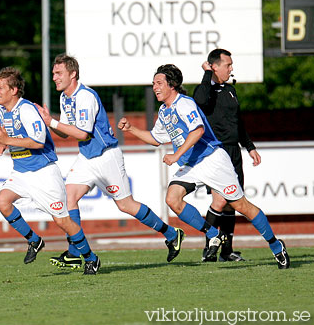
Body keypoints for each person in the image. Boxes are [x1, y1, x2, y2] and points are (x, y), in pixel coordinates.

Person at [117, 64, 289, 269]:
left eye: (159, 83)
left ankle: (276, 246)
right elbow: (155, 138)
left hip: (212, 161)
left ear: (172, 85)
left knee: (241, 206)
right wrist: (131, 129)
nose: (155, 87)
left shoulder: (185, 104)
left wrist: (176, 155)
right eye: (154, 83)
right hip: (193, 164)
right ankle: (214, 234)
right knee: (172, 199)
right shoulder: (164, 111)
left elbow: (197, 131)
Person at [35, 54, 185, 267]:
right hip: (87, 157)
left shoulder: (85, 96)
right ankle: (76, 251)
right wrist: (50, 124)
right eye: (53, 74)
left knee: (126, 205)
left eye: (59, 73)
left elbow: (83, 133)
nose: (54, 78)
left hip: (106, 157)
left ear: (73, 74)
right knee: (68, 198)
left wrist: (53, 122)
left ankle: (171, 234)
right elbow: (68, 133)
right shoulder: (65, 98)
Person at [0, 66, 100, 275]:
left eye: (0, 87)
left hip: (43, 173)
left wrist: (7, 140)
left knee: (62, 221)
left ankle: (91, 258)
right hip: (21, 172)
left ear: (13, 90)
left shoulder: (26, 109)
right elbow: (9, 134)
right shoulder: (1, 111)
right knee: (2, 201)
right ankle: (34, 240)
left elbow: (39, 141)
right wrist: (3, 145)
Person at [193, 48, 261, 262]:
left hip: (234, 151)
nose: (231, 68)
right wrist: (206, 73)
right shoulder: (205, 89)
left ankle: (226, 250)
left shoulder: (231, 90)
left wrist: (249, 146)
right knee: (220, 200)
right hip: (215, 153)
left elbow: (238, 122)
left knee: (232, 201)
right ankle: (209, 248)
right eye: (227, 65)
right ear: (214, 66)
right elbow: (200, 102)